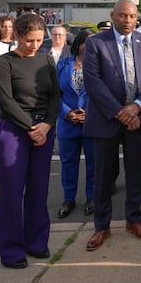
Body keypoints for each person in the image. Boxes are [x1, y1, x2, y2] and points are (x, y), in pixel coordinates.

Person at [83, 0, 141, 252]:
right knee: (103, 175)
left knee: (135, 172)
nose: (128, 21)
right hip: (106, 119)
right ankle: (101, 226)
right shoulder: (95, 43)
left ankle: (133, 220)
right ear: (113, 15)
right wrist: (120, 112)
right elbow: (93, 82)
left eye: (133, 16)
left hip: (138, 117)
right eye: (123, 16)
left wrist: (137, 106)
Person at [0, 13, 60, 269]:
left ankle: (37, 242)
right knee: (11, 192)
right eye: (29, 40)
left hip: (44, 129)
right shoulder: (3, 62)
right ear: (18, 36)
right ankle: (11, 250)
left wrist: (47, 124)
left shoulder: (47, 60)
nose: (34, 46)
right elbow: (6, 101)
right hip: (14, 132)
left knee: (39, 189)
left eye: (39, 40)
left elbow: (55, 96)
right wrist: (32, 127)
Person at [56, 29, 96, 219]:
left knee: (93, 163)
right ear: (78, 44)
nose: (89, 46)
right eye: (86, 42)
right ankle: (68, 198)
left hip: (92, 121)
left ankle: (92, 198)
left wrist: (90, 114)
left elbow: (103, 93)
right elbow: (53, 93)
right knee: (68, 163)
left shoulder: (100, 65)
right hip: (68, 121)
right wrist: (67, 113)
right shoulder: (63, 64)